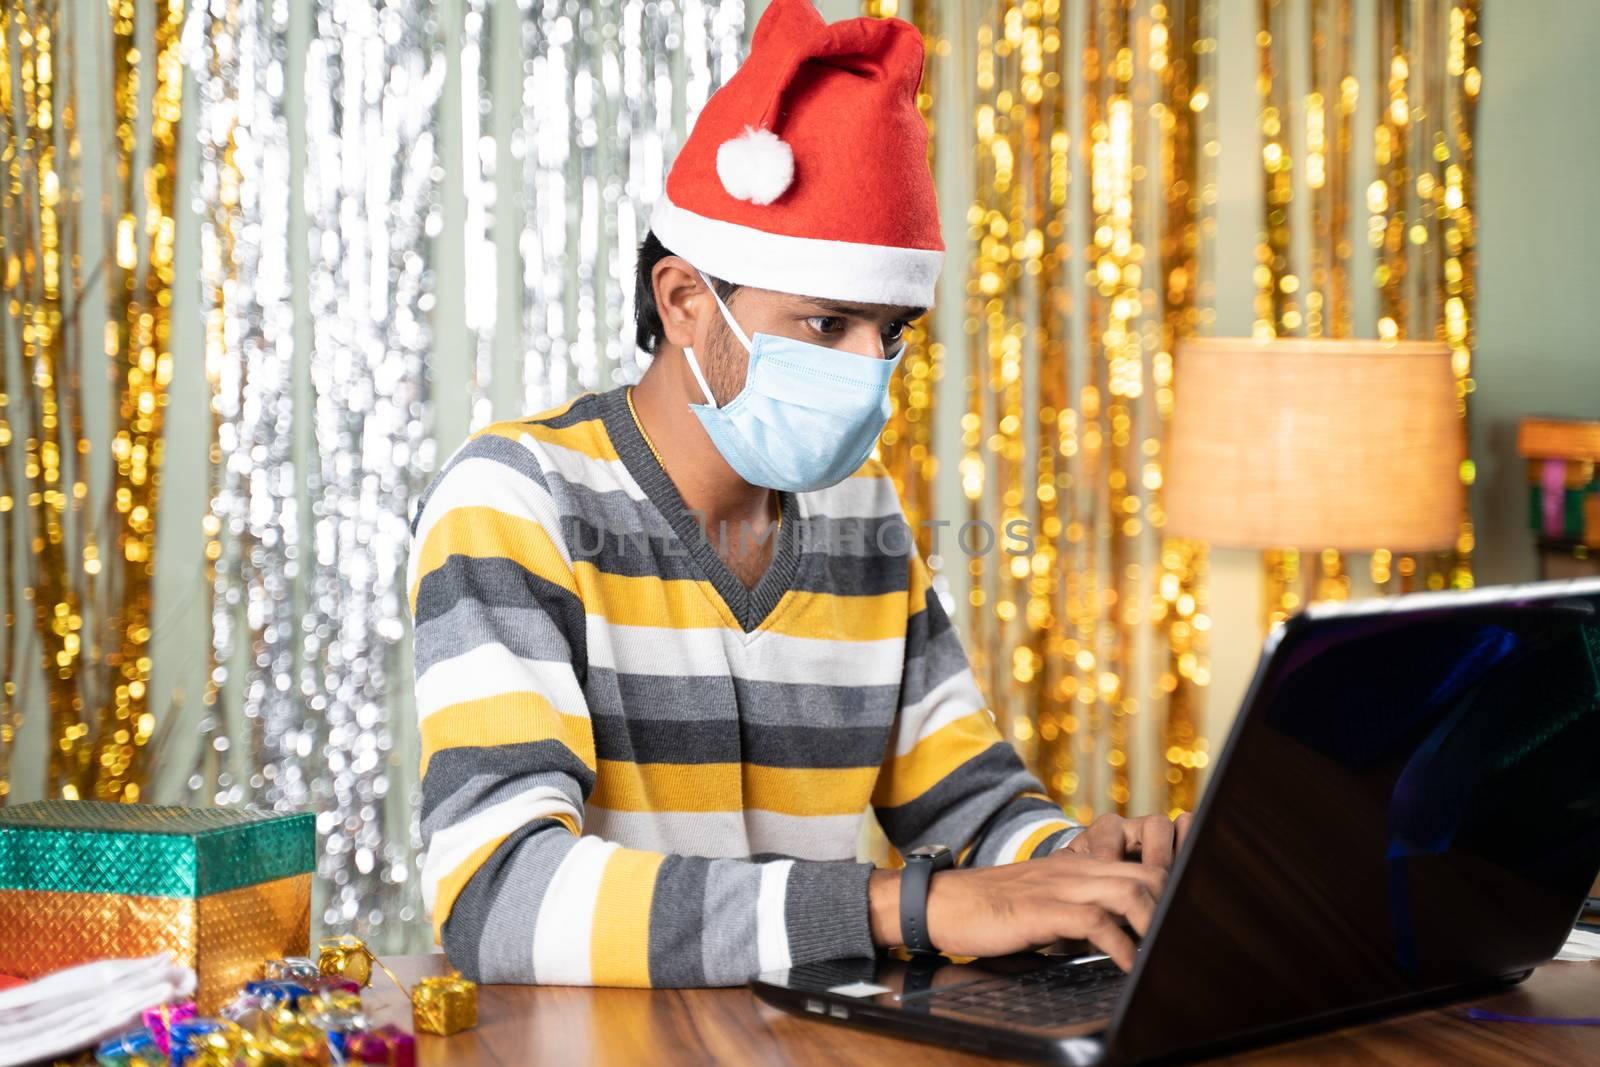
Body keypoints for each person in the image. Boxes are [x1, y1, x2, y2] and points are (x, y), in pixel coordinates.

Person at [407, 0, 1189, 988]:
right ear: (686, 301)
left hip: (807, 1038)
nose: (872, 367)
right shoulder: (516, 498)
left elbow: (972, 807)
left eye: (891, 330)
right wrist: (908, 904)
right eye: (829, 324)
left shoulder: (859, 512)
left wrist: (1073, 865)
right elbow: (500, 897)